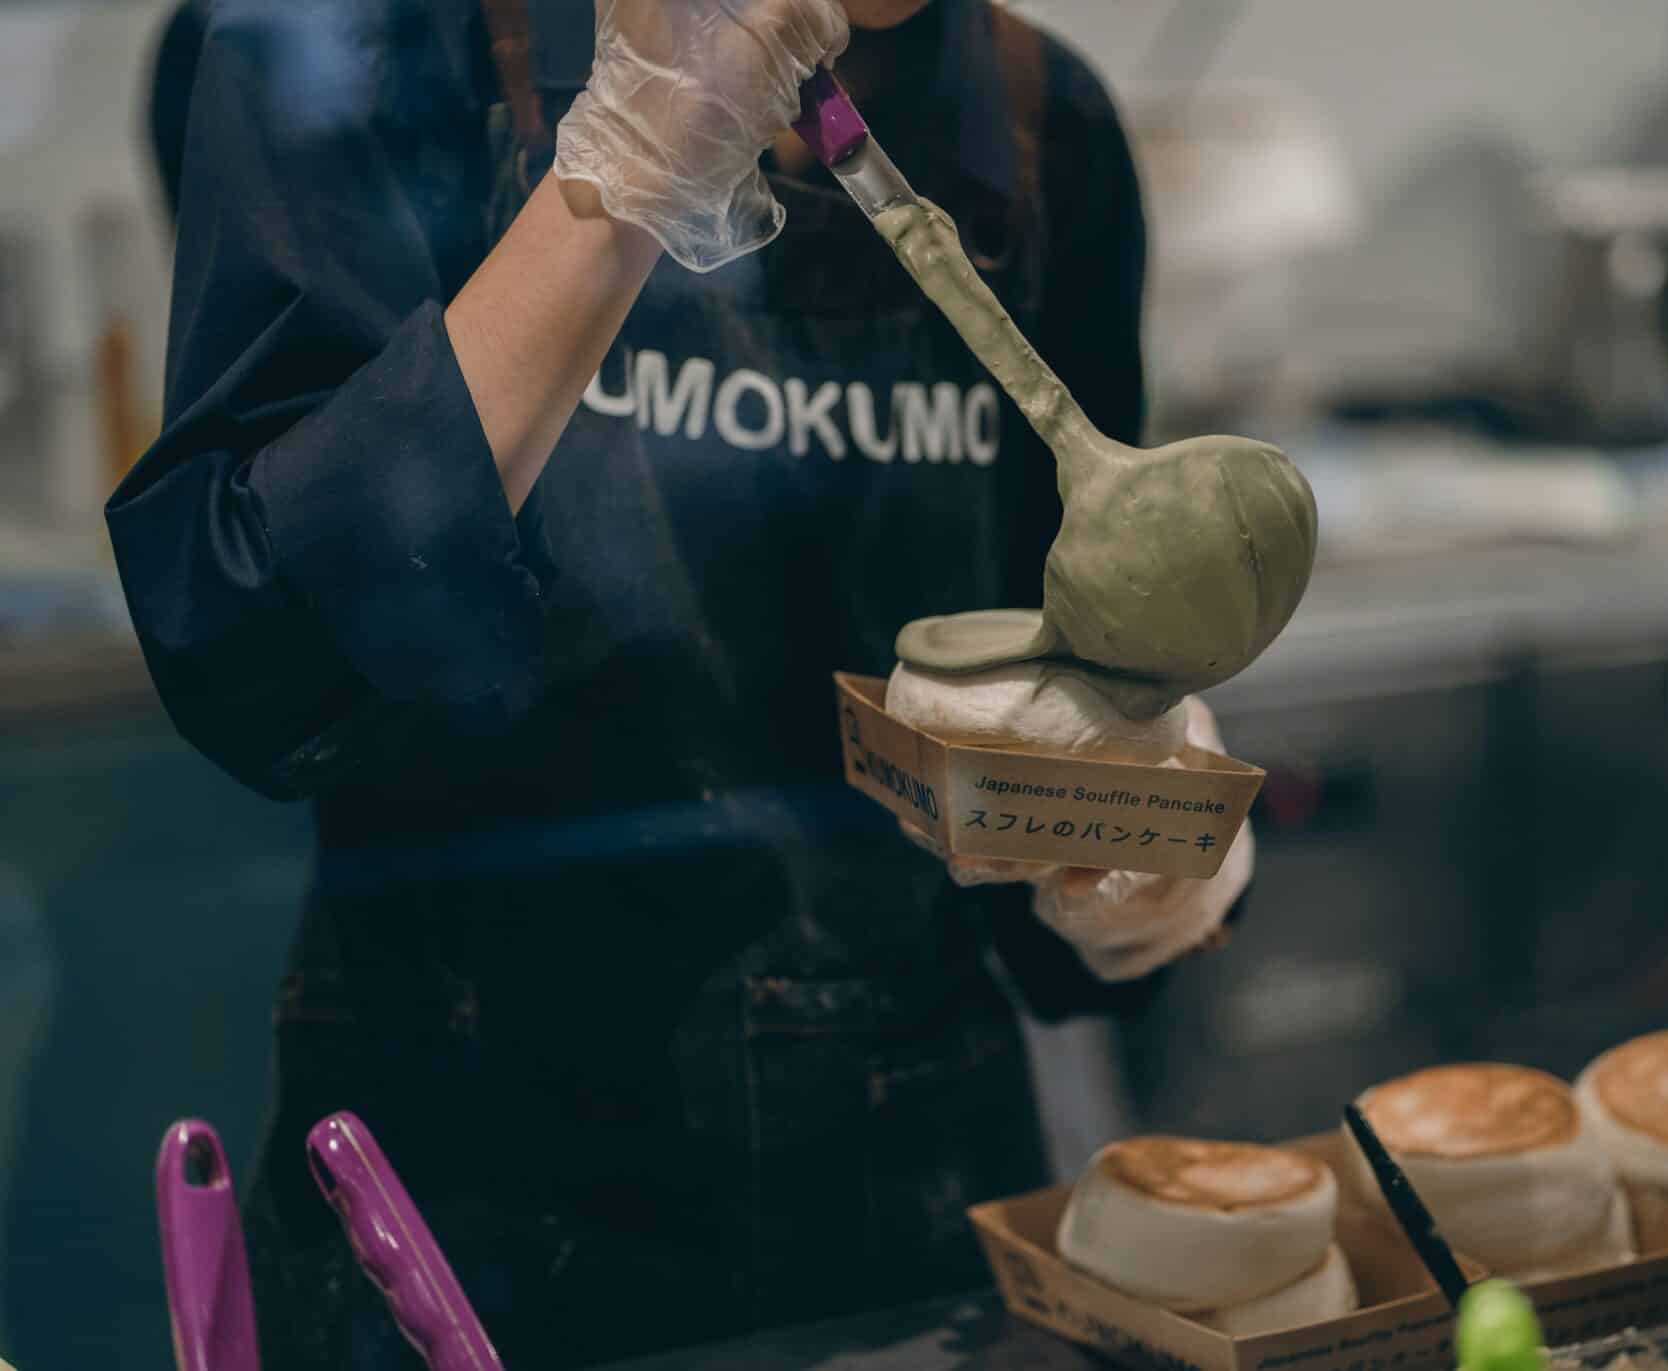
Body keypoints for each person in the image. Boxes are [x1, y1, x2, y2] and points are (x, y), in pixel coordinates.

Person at [109, 0, 1255, 1366]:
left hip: (913, 1231)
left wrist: (1127, 852)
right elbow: (256, 660)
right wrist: (634, 158)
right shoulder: (355, 46)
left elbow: (1050, 704)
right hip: (462, 1225)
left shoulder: (1027, 114)